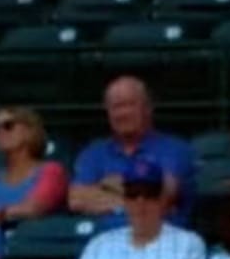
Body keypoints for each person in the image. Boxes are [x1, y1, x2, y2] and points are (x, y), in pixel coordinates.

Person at [61, 163, 207, 259]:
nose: (140, 202)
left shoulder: (187, 243)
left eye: (149, 194)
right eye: (133, 194)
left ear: (162, 199)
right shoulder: (100, 244)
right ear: (124, 200)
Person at [67, 77, 195, 227]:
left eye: (129, 105)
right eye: (116, 107)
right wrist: (136, 198)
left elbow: (162, 197)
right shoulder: (94, 153)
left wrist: (105, 187)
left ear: (148, 108)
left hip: (160, 241)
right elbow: (76, 200)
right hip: (103, 241)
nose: (122, 113)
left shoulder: (175, 149)